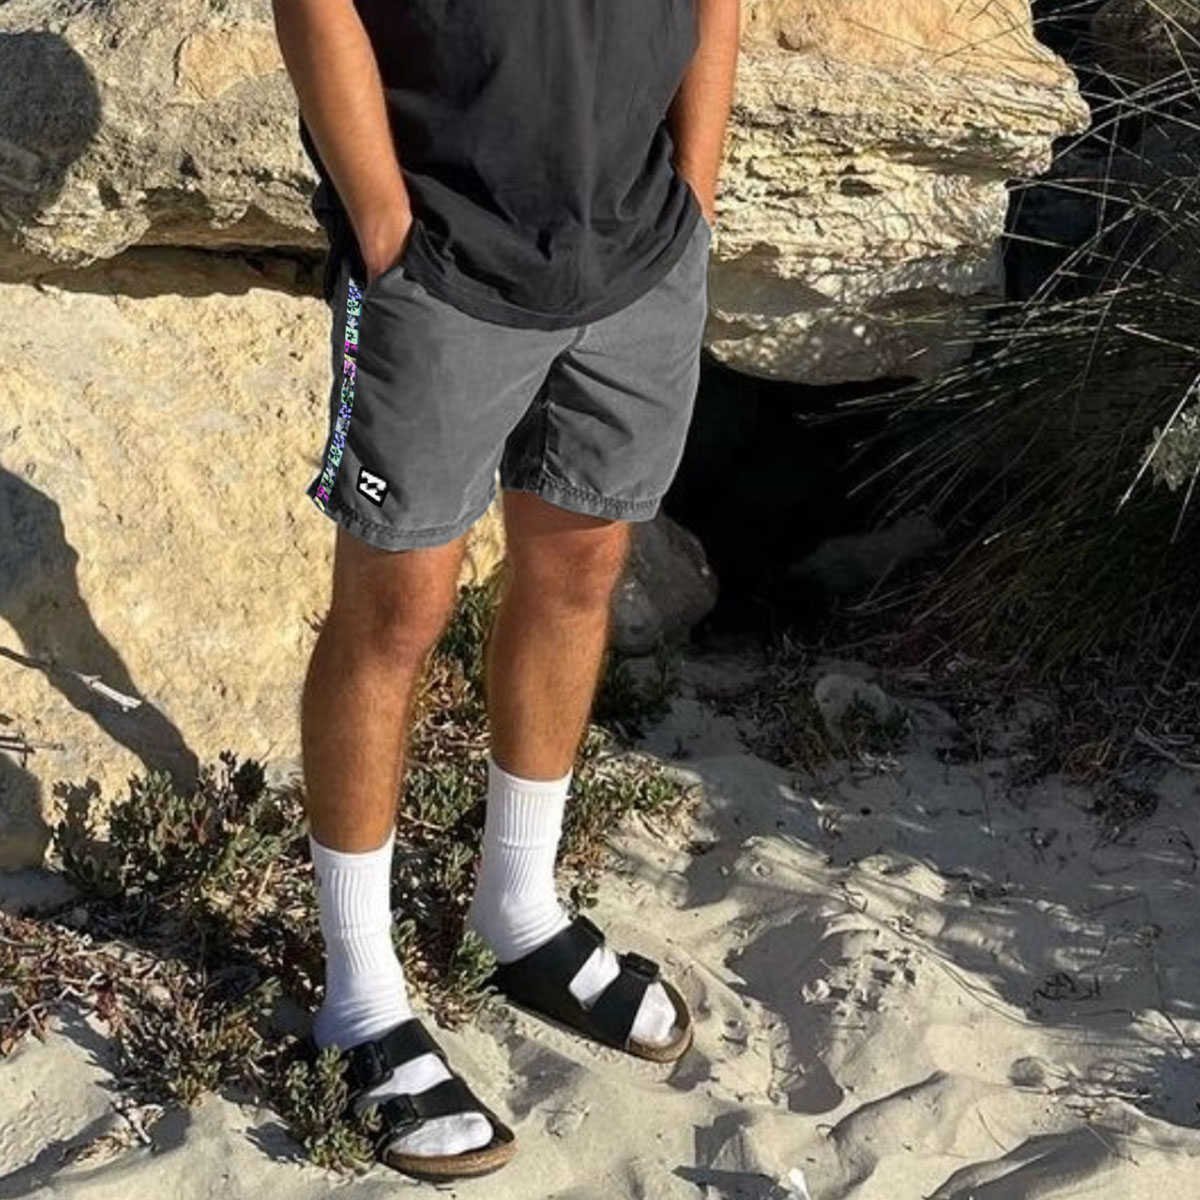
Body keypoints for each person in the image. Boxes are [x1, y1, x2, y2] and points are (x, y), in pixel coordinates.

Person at [271, 0, 739, 1181]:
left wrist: (695, 186)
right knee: (396, 613)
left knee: (581, 568)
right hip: (443, 256)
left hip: (637, 249)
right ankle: (359, 997)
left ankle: (520, 910)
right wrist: (383, 220)